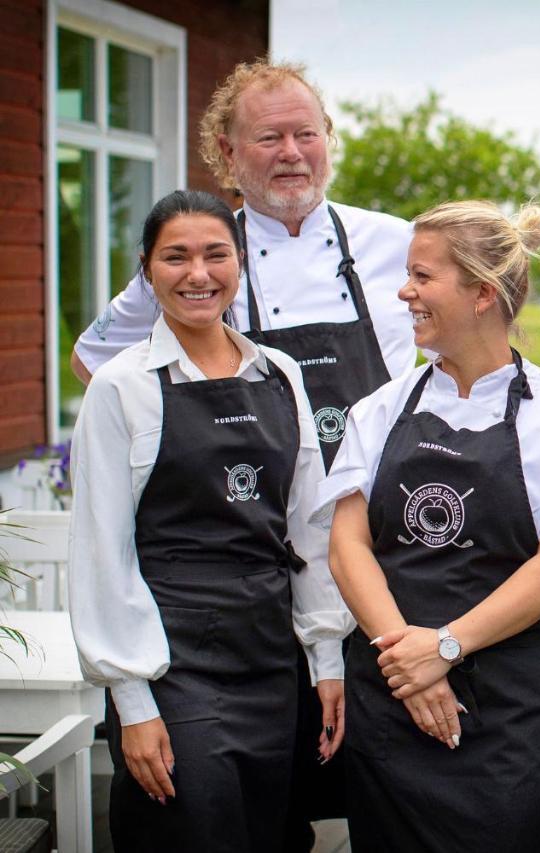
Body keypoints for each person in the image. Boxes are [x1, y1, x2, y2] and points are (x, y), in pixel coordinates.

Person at [70, 59, 413, 847]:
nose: (292, 152)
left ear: (329, 141)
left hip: (369, 550)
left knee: (366, 782)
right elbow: (101, 362)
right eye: (269, 137)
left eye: (306, 133)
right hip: (234, 575)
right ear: (227, 153)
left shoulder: (393, 245)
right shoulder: (206, 249)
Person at [315, 200, 540, 851]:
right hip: (393, 691)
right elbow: (347, 546)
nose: (404, 291)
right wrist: (409, 656)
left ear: (483, 292)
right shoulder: (379, 409)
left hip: (513, 710)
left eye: (422, 276)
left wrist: (447, 646)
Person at [67, 190, 352, 853]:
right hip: (174, 667)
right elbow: (102, 551)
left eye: (215, 254)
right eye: (176, 256)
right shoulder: (122, 386)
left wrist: (327, 657)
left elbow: (309, 525)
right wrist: (132, 705)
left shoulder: (278, 374)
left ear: (241, 260)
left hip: (271, 660)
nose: (198, 274)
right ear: (146, 269)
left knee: (272, 834)